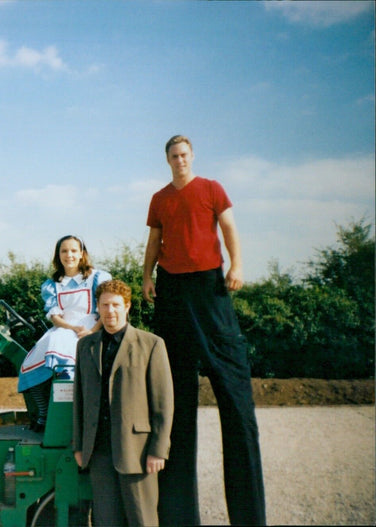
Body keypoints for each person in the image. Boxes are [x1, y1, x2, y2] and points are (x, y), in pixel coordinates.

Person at [143, 134, 267, 525]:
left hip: (210, 288)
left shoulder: (211, 188)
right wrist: (147, 276)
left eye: (184, 155)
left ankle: (249, 517)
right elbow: (154, 239)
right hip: (173, 292)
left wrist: (237, 266)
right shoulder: (160, 198)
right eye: (173, 156)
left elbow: (229, 228)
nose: (179, 160)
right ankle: (179, 518)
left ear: (191, 157)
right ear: (167, 160)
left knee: (235, 399)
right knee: (174, 400)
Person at [73, 279, 174, 526]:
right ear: (98, 307)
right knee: (105, 521)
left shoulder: (151, 344)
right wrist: (79, 445)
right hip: (98, 451)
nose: (111, 311)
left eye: (116, 305)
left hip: (138, 451)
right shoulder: (85, 346)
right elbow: (79, 399)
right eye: (105, 305)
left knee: (143, 520)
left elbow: (163, 403)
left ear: (127, 307)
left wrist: (158, 450)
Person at [17, 234, 111, 431]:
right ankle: (44, 413)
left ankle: (78, 418)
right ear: (58, 255)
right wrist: (72, 328)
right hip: (64, 329)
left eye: (74, 250)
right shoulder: (52, 284)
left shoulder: (96, 277)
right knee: (29, 365)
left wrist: (92, 331)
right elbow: (55, 317)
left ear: (82, 254)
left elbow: (105, 308)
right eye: (64, 251)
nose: (69, 255)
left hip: (91, 327)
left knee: (67, 369)